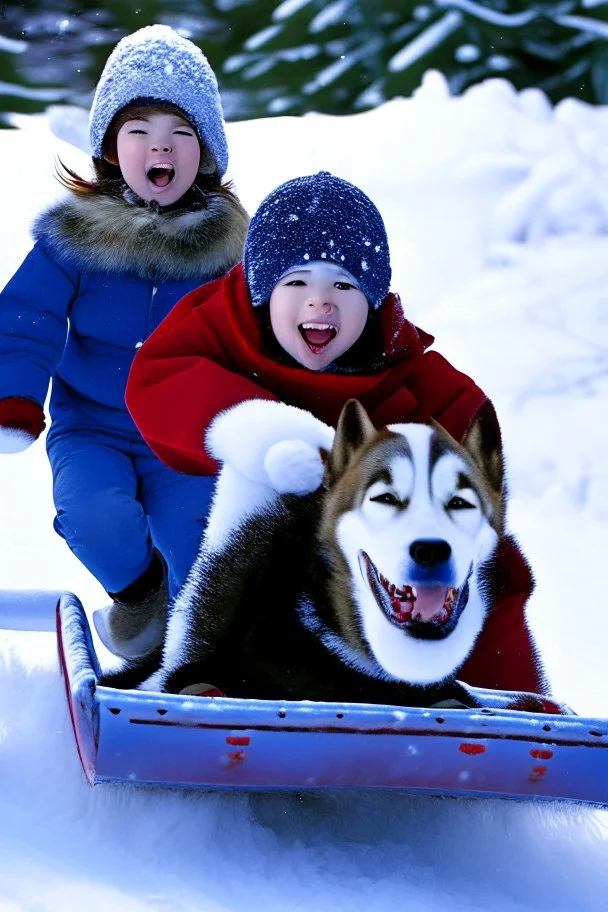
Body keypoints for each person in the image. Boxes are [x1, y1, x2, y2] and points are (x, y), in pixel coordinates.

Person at [125, 171, 547, 694]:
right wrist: (265, 433)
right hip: (250, 554)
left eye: (344, 285)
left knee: (476, 556)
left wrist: (519, 695)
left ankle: (487, 701)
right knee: (262, 498)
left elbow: (471, 465)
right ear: (263, 291)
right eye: (296, 281)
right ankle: (195, 675)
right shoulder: (224, 326)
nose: (319, 303)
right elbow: (163, 377)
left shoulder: (417, 383)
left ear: (372, 297)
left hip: (373, 565)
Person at [0, 25, 249, 660]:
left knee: (198, 535)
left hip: (186, 436)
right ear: (111, 148)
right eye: (138, 131)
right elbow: (26, 317)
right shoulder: (74, 239)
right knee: (92, 512)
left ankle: (198, 663)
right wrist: (16, 396)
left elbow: (260, 337)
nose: (158, 147)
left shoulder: (229, 253)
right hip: (93, 428)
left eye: (180, 134)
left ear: (207, 152)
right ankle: (141, 595)